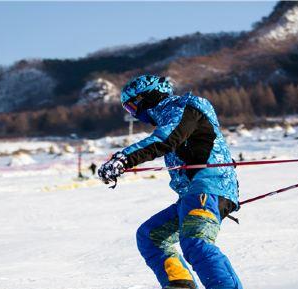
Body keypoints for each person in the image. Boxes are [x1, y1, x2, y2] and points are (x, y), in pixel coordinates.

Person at [98, 75, 243, 289]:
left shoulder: (185, 107)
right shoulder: (169, 114)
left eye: (131, 107)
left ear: (146, 98)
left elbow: (166, 139)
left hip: (210, 188)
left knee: (196, 242)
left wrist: (123, 159)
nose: (134, 114)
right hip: (192, 195)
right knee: (150, 236)